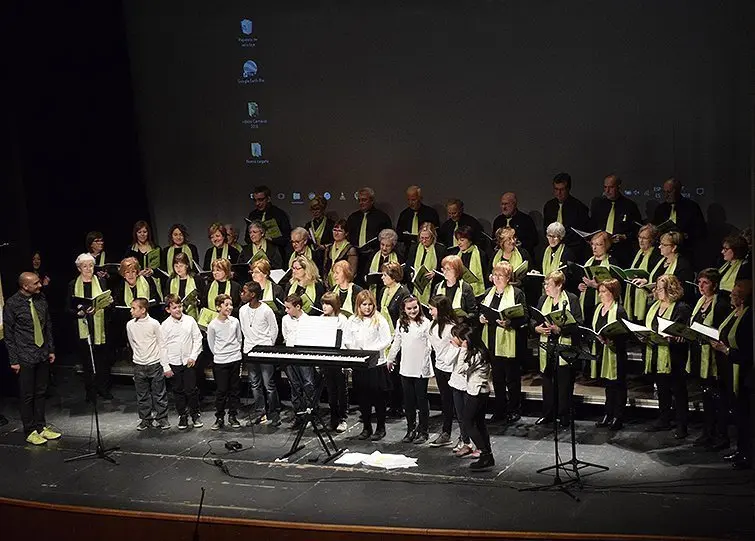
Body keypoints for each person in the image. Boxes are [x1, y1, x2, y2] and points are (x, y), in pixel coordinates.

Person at [3, 272, 60, 445]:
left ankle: (41, 427)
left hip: (41, 352)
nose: (39, 285)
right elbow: (9, 334)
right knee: (27, 395)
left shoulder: (40, 299)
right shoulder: (12, 304)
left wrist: (51, 349)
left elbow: (47, 325)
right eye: (35, 283)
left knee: (41, 392)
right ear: (25, 286)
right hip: (25, 355)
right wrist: (14, 360)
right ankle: (30, 430)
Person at [478, 262, 528, 424]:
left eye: (501, 276)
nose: (497, 278)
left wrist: (510, 323)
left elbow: (524, 317)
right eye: (495, 275)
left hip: (510, 341)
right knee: (497, 378)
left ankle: (514, 409)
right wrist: (482, 318)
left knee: (512, 378)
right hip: (492, 340)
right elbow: (482, 311)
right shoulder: (488, 293)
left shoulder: (517, 293)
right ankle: (499, 409)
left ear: (508, 278)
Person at [532, 270, 583, 427]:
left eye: (549, 284)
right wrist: (536, 329)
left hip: (564, 345)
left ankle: (564, 415)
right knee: (547, 381)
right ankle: (548, 414)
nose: (546, 287)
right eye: (545, 283)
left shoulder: (571, 299)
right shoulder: (542, 299)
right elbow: (534, 320)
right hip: (547, 345)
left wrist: (560, 330)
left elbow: (578, 324)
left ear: (559, 285)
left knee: (564, 383)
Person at [711, 280, 753, 470]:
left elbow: (748, 351)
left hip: (744, 373)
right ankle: (741, 450)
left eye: (734, 294)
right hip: (728, 369)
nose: (730, 296)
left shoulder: (749, 316)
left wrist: (726, 350)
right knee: (737, 414)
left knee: (746, 416)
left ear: (742, 298)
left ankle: (748, 454)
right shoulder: (733, 313)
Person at [643, 275, 692, 439]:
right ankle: (664, 419)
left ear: (671, 289)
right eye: (656, 287)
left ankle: (682, 424)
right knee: (662, 387)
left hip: (674, 354)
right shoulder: (653, 305)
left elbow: (683, 331)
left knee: (678, 390)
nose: (657, 291)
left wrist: (673, 337)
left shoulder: (681, 307)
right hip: (657, 350)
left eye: (661, 288)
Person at [687, 269, 731, 448]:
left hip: (715, 357)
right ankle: (707, 432)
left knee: (718, 398)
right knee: (706, 396)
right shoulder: (700, 301)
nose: (701, 286)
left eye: (705, 283)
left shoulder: (720, 304)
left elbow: (723, 330)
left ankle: (722, 436)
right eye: (699, 283)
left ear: (714, 284)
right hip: (700, 353)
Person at [344, 290, 392, 441]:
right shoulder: (352, 320)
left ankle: (380, 428)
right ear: (358, 305)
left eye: (370, 304)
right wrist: (354, 350)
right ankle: (366, 427)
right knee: (363, 398)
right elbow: (346, 339)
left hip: (376, 365)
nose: (367, 308)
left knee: (378, 398)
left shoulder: (379, 320)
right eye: (364, 304)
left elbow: (387, 340)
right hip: (360, 364)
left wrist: (371, 351)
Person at [387, 296, 433, 444]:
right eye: (409, 308)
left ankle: (424, 430)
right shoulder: (401, 323)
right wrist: (390, 358)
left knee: (421, 399)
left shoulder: (426, 323)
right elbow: (397, 342)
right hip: (406, 367)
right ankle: (410, 429)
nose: (413, 310)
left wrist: (426, 363)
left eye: (415, 307)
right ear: (404, 310)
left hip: (420, 367)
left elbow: (430, 345)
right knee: (409, 401)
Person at [68, 253, 112, 402]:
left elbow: (107, 302)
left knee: (102, 360)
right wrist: (79, 312)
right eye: (84, 266)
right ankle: (90, 391)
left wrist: (107, 303)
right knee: (87, 361)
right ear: (79, 268)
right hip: (83, 325)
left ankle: (103, 389)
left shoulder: (101, 281)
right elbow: (68, 308)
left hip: (100, 326)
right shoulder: (73, 284)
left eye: (91, 265)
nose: (88, 268)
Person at [451, 323, 495, 472]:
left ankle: (485, 453)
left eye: (456, 337)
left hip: (476, 393)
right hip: (479, 391)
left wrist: (462, 350)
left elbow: (460, 369)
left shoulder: (476, 354)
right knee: (479, 423)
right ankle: (486, 454)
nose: (453, 339)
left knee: (468, 422)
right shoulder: (478, 351)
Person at [126, 297, 172, 431]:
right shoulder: (130, 325)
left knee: (159, 393)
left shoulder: (154, 324)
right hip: (139, 364)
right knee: (142, 395)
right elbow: (132, 343)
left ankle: (162, 418)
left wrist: (164, 364)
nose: (131, 311)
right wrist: (138, 357)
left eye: (134, 308)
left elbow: (161, 344)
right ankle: (146, 420)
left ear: (143, 310)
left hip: (154, 363)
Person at [239, 281, 281, 427]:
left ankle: (274, 412)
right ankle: (260, 411)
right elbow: (244, 329)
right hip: (250, 351)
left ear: (253, 294)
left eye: (244, 292)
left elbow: (274, 329)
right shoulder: (242, 310)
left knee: (268, 383)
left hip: (264, 350)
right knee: (254, 383)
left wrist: (268, 346)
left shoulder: (266, 310)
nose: (242, 294)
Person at [160, 294, 203, 430]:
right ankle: (182, 416)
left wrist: (193, 356)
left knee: (191, 389)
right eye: (174, 307)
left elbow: (198, 339)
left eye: (180, 306)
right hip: (174, 362)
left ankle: (195, 414)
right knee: (178, 390)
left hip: (188, 361)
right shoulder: (165, 325)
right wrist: (166, 366)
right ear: (168, 310)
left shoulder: (190, 320)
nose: (178, 310)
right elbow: (162, 347)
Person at [591, 279, 629, 430]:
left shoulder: (619, 311)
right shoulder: (597, 308)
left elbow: (626, 334)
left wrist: (613, 341)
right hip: (603, 351)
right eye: (599, 291)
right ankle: (608, 414)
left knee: (618, 385)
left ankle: (618, 417)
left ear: (613, 293)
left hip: (616, 353)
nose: (600, 294)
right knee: (608, 385)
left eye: (604, 292)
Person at [577, 231, 617, 363]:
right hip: (587, 303)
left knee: (601, 337)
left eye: (598, 245)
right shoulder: (589, 261)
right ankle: (590, 368)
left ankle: (601, 367)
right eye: (593, 244)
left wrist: (596, 286)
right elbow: (584, 281)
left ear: (606, 246)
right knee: (589, 337)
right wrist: (581, 286)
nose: (594, 248)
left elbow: (614, 287)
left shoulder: (611, 262)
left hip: (602, 305)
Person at [378, 261, 410, 418]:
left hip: (398, 337)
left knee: (396, 373)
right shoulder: (384, 291)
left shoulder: (403, 293)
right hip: (384, 337)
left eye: (385, 275)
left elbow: (404, 317)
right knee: (388, 373)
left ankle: (399, 406)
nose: (382, 278)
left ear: (393, 276)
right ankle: (392, 404)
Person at [281, 294, 318, 429]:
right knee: (294, 386)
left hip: (304, 356)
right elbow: (286, 335)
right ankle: (299, 415)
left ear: (298, 307)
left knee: (308, 384)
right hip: (291, 355)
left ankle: (311, 415)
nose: (286, 311)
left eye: (288, 308)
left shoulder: (308, 320)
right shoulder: (285, 319)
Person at [207, 294, 243, 430]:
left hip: (235, 359)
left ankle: (233, 416)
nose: (229, 307)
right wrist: (220, 354)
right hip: (221, 361)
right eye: (226, 304)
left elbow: (239, 338)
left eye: (231, 304)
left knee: (235, 390)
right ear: (218, 307)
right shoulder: (213, 325)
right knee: (222, 391)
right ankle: (219, 417)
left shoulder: (235, 321)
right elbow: (211, 344)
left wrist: (235, 352)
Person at [427, 295, 459, 448]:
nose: (430, 312)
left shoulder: (452, 327)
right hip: (440, 368)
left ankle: (465, 438)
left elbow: (456, 349)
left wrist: (447, 362)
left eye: (432, 309)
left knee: (459, 405)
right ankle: (446, 433)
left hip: (452, 370)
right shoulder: (433, 325)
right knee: (446, 402)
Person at [590, 175, 642, 267]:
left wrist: (625, 236)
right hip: (601, 250)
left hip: (621, 251)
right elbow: (592, 225)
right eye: (605, 187)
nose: (607, 191)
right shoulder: (598, 205)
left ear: (618, 187)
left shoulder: (629, 206)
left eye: (611, 187)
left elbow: (638, 229)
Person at [651, 178, 707, 260]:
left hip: (686, 250)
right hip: (664, 251)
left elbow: (700, 230)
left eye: (669, 192)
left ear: (678, 191)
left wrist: (686, 235)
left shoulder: (691, 207)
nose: (666, 195)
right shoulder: (661, 209)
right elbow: (655, 226)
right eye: (664, 192)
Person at [634, 232, 695, 302]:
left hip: (673, 304)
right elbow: (655, 278)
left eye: (664, 245)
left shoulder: (682, 265)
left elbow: (683, 290)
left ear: (674, 247)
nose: (660, 247)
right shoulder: (661, 261)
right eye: (660, 244)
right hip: (656, 302)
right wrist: (646, 281)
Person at [542, 173, 591, 259]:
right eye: (556, 189)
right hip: (552, 248)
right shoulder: (549, 206)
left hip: (572, 250)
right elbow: (546, 228)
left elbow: (581, 233)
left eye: (562, 189)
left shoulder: (579, 207)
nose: (559, 193)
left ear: (568, 189)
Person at [321, 292, 350, 432]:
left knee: (341, 390)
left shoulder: (342, 320)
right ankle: (333, 418)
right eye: (323, 304)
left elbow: (346, 340)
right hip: (327, 359)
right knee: (331, 390)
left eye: (327, 304)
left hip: (339, 358)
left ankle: (342, 418)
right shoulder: (321, 319)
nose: (324, 307)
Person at [624, 224, 663, 322]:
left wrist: (646, 280)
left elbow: (656, 275)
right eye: (639, 237)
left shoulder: (656, 254)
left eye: (645, 238)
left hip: (646, 294)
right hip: (633, 291)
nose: (641, 241)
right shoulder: (638, 252)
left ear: (652, 240)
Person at [406, 222, 446, 304]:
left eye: (427, 238)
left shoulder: (440, 249)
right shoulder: (414, 248)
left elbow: (445, 270)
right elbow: (408, 265)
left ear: (433, 237)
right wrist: (411, 273)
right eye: (421, 238)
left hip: (433, 287)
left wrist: (435, 274)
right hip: (415, 287)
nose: (423, 241)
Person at [345, 187, 393, 255]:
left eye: (364, 200)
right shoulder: (353, 218)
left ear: (372, 201)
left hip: (374, 254)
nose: (361, 203)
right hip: (355, 254)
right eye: (359, 200)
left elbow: (388, 238)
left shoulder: (382, 218)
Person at [248, 185, 293, 255]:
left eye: (260, 200)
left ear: (268, 199)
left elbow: (287, 237)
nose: (257, 203)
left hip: (277, 254)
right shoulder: (253, 215)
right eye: (255, 200)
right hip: (256, 253)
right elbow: (246, 238)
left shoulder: (280, 214)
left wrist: (272, 239)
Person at [395, 185, 440, 254]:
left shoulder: (431, 213)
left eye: (413, 200)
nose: (410, 203)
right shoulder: (404, 214)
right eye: (408, 200)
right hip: (408, 250)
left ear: (420, 198)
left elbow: (436, 233)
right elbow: (399, 234)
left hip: (427, 250)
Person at [492, 192, 538, 258]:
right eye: (502, 204)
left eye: (506, 204)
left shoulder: (525, 220)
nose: (503, 207)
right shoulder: (498, 221)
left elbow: (534, 240)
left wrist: (518, 246)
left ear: (514, 204)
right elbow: (494, 240)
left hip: (521, 256)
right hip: (502, 257)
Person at [435, 255, 478, 320]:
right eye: (444, 269)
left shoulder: (466, 288)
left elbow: (473, 313)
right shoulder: (438, 287)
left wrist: (463, 318)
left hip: (459, 327)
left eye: (448, 269)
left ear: (457, 270)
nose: (445, 272)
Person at [166, 252, 203, 321]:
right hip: (176, 314)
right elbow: (167, 298)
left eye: (181, 266)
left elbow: (203, 298)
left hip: (193, 314)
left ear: (187, 265)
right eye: (176, 266)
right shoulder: (171, 280)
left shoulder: (197, 279)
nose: (178, 269)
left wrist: (197, 302)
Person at [323, 219, 359, 287]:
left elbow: (352, 273)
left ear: (346, 233)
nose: (336, 233)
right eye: (334, 230)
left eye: (340, 231)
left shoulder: (350, 250)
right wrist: (326, 282)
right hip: (329, 284)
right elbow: (325, 268)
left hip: (343, 285)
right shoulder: (328, 248)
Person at [365, 228, 402, 294]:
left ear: (393, 246)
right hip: (374, 291)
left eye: (387, 246)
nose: (384, 248)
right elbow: (365, 274)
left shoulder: (399, 257)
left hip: (390, 292)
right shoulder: (373, 255)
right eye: (382, 244)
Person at [455, 225, 488, 297]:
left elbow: (486, 275)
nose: (459, 243)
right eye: (458, 240)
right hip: (460, 292)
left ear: (470, 240)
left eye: (462, 240)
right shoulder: (457, 255)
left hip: (477, 295)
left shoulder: (480, 254)